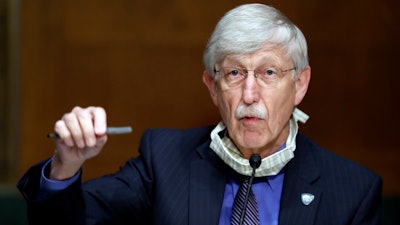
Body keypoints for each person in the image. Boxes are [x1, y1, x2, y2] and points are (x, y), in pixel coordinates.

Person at [17, 3, 382, 225]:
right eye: (235, 73)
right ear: (211, 86)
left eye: (269, 73)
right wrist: (66, 165)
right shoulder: (165, 160)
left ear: (300, 85)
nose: (249, 95)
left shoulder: (351, 191)